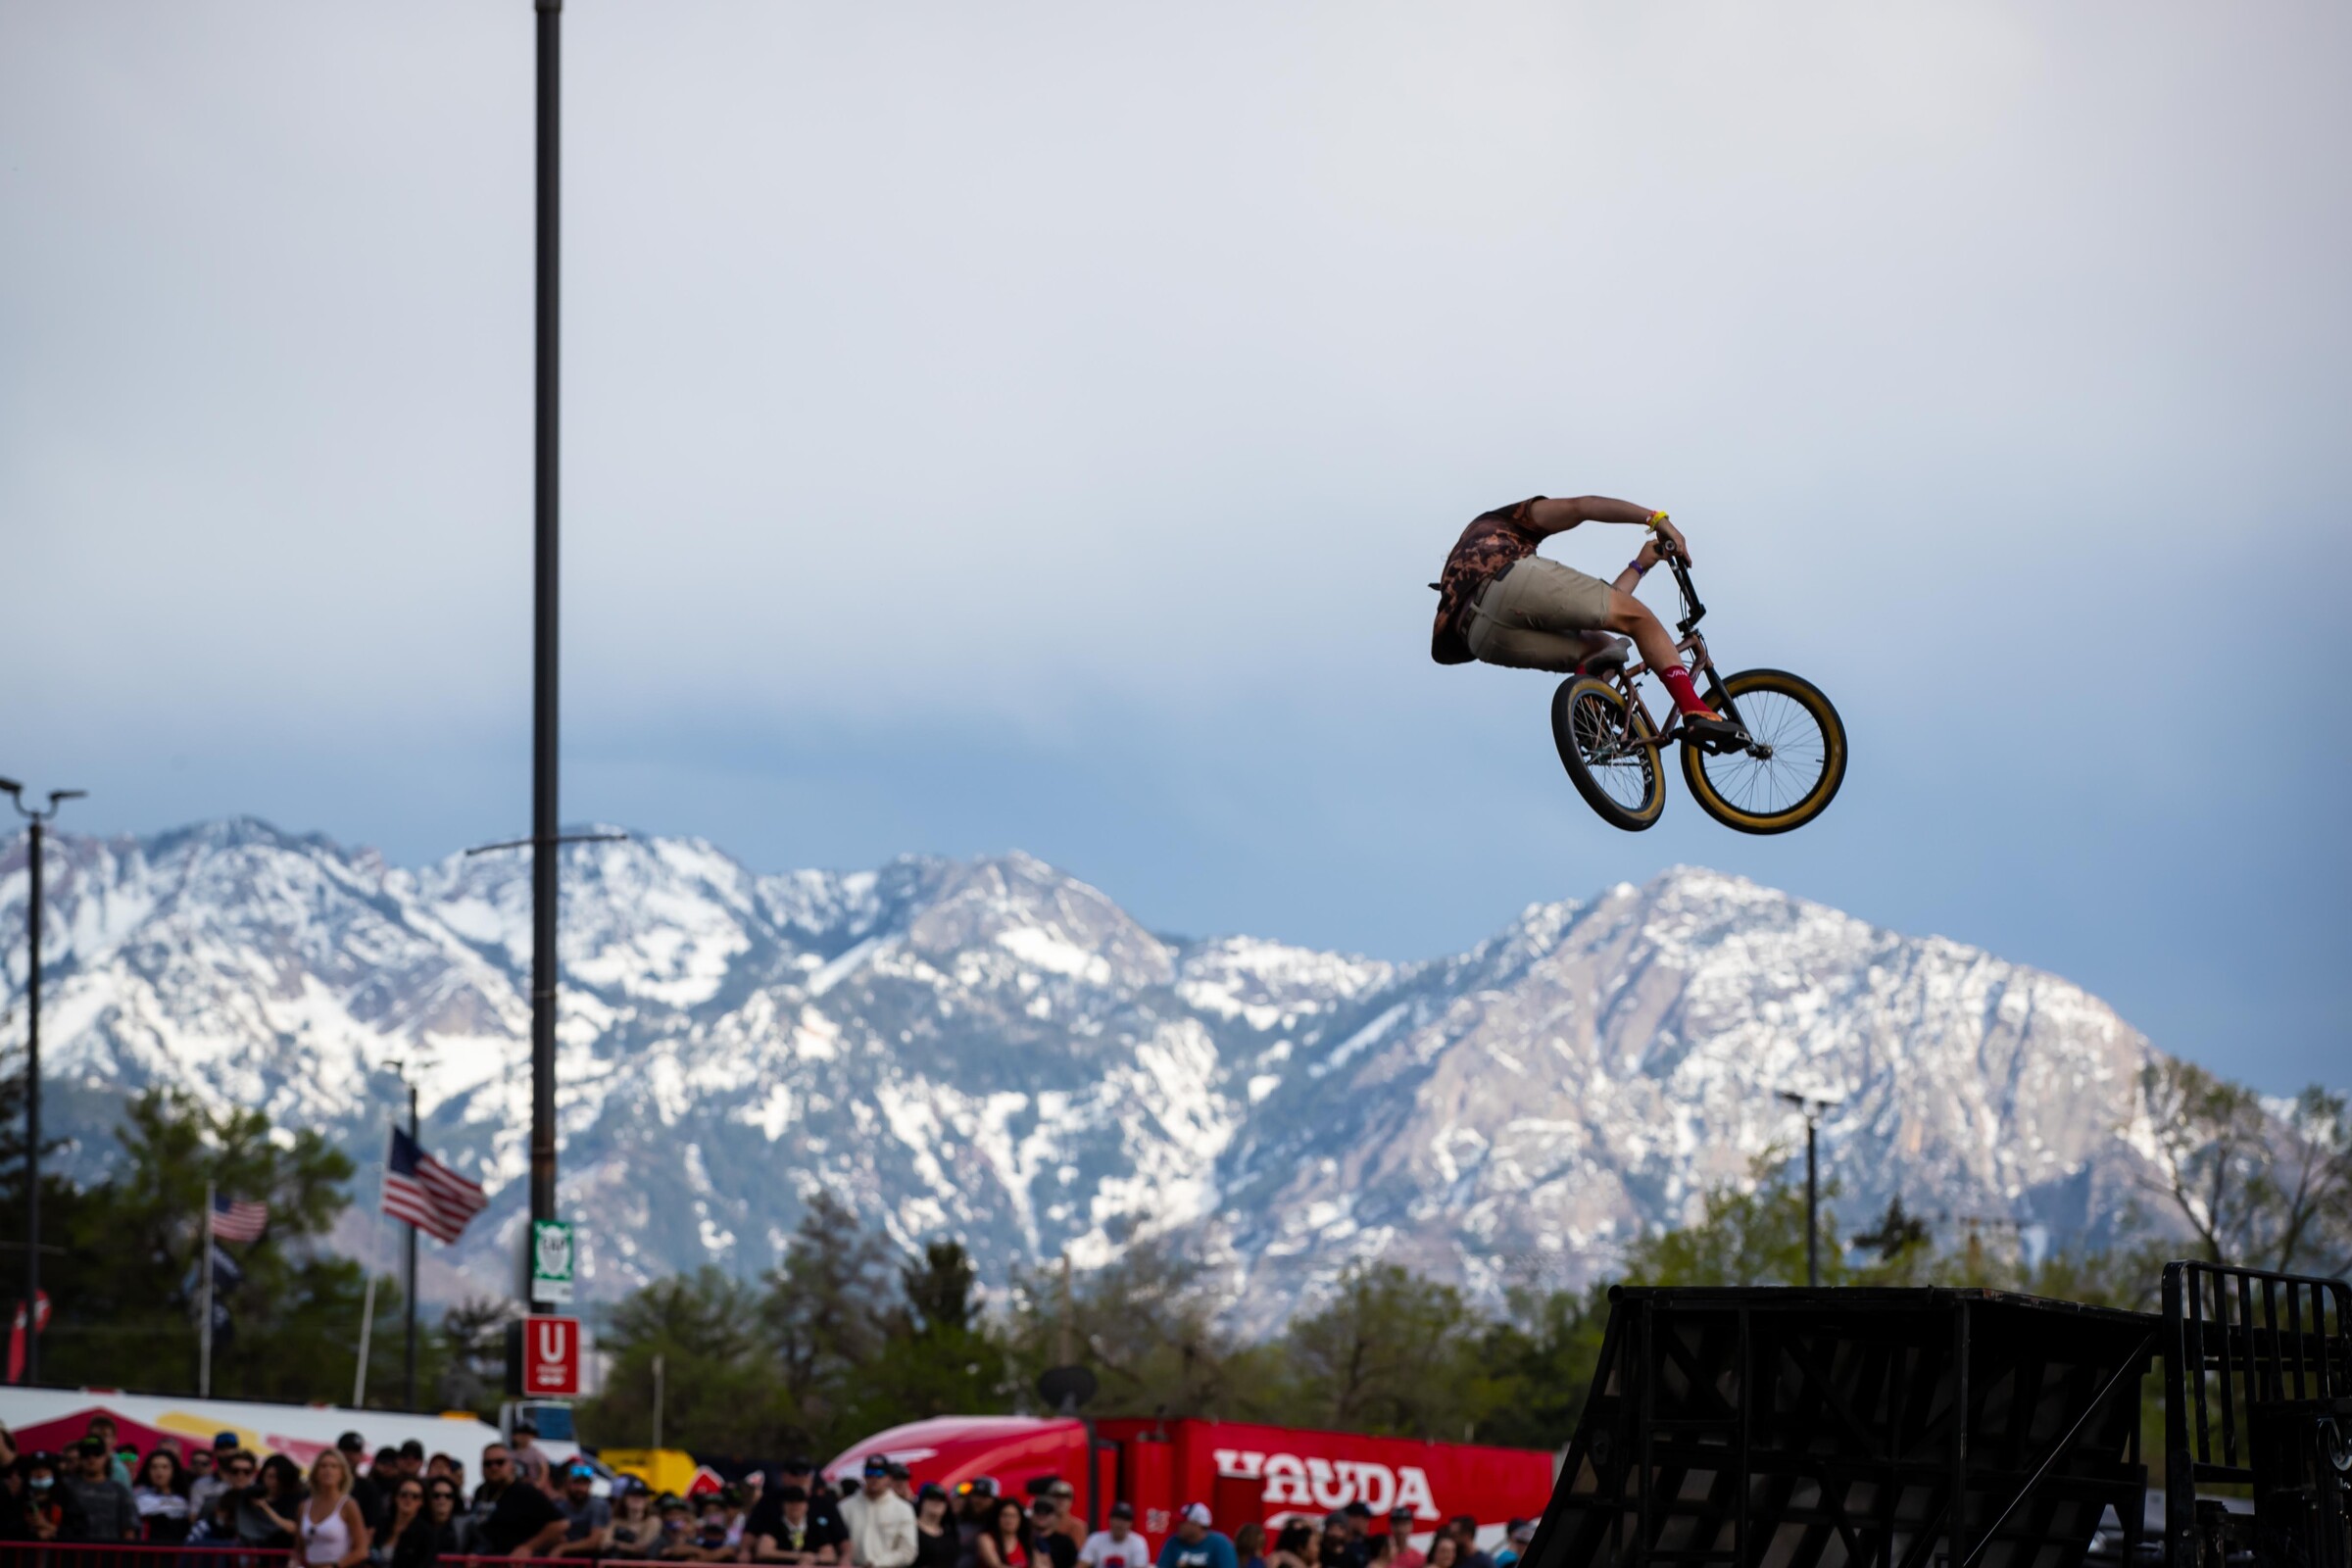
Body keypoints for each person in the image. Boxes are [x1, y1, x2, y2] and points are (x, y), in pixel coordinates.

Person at [1429, 497, 1740, 747]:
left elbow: (1607, 610)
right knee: (1642, 619)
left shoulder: (1457, 577)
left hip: (1479, 636)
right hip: (1508, 581)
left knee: (1601, 648)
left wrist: (1640, 564)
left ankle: (1591, 719)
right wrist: (1657, 519)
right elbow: (1582, 507)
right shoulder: (1504, 521)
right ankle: (1694, 708)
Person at [474, 1441, 565, 1559]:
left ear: (511, 1464)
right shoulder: (481, 1491)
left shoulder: (525, 1492)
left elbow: (561, 1524)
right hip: (486, 1559)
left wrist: (528, 1547)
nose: (494, 1467)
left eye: (500, 1462)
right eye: (488, 1463)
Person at [295, 1448, 373, 1568]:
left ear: (342, 1473)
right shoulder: (304, 1507)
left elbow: (362, 1550)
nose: (328, 1470)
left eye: (334, 1466)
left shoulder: (348, 1505)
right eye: (323, 1466)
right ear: (315, 1472)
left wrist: (335, 1566)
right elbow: (299, 1548)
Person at [842, 1454, 919, 1568]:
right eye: (869, 1472)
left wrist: (877, 1563)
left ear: (888, 1477)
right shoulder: (844, 1507)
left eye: (879, 1474)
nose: (874, 1478)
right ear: (863, 1475)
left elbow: (908, 1551)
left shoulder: (903, 1509)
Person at [64, 1435, 139, 1542]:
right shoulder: (66, 1489)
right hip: (74, 1555)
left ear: (106, 1457)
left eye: (97, 1453)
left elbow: (129, 1530)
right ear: (80, 1458)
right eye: (86, 1454)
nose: (91, 1458)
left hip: (110, 1555)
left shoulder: (119, 1491)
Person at [752, 1482, 841, 1564]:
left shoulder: (814, 1526)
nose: (795, 1506)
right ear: (784, 1505)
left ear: (806, 1506)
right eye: (791, 1502)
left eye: (799, 1502)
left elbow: (831, 1555)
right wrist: (797, 1556)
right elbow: (763, 1551)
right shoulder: (774, 1524)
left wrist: (814, 1558)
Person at [6, 1451, 80, 1542]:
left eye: (45, 1469)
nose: (40, 1474)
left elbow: (79, 1528)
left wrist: (50, 1528)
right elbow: (8, 1528)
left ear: (53, 1474)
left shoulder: (64, 1498)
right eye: (35, 1470)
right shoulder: (20, 1500)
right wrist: (31, 1530)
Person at [550, 1460, 614, 1557]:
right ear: (567, 1483)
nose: (580, 1488)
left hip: (589, 1559)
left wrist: (562, 1548)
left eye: (585, 1484)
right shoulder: (559, 1506)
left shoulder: (599, 1505)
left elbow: (594, 1541)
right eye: (576, 1483)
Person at [373, 1475, 436, 1568]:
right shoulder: (381, 1525)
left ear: (422, 1502)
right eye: (404, 1494)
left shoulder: (427, 1534)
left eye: (415, 1496)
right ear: (395, 1497)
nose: (408, 1499)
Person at [133, 1447, 194, 1543]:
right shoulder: (136, 1496)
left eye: (165, 1467)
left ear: (173, 1471)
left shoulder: (183, 1500)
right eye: (154, 1467)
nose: (159, 1471)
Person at [1154, 1505, 1238, 1568]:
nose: (1179, 1525)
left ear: (1198, 1524)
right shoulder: (1173, 1542)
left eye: (1183, 1522)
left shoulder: (1220, 1543)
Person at [1077, 1499, 1151, 1568]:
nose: (1121, 1524)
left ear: (1131, 1523)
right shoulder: (1095, 1539)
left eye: (1125, 1520)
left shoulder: (1138, 1542)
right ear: (1110, 1520)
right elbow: (1082, 1564)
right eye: (1117, 1519)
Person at [611, 1482, 664, 1557]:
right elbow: (605, 1544)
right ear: (624, 1499)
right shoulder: (614, 1521)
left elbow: (643, 1548)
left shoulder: (653, 1521)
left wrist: (617, 1544)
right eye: (633, 1495)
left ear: (647, 1500)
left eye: (642, 1496)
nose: (637, 1499)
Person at [974, 1496, 1030, 1568]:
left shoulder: (1026, 1540)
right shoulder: (985, 1539)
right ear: (997, 1518)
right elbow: (996, 1565)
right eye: (1004, 1515)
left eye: (1013, 1516)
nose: (1008, 1520)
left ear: (1020, 1519)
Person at [914, 1484, 961, 1568]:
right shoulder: (909, 1529)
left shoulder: (950, 1534)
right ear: (922, 1502)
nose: (936, 1503)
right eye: (931, 1498)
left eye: (941, 1500)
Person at [425, 1477, 474, 1557]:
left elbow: (482, 1545)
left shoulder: (465, 1525)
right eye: (436, 1495)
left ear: (454, 1500)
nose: (442, 1500)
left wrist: (474, 1553)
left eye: (448, 1496)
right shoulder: (418, 1524)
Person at [1027, 1493, 1077, 1568]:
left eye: (1047, 1510)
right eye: (1038, 1510)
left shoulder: (1066, 1542)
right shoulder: (1024, 1540)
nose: (1042, 1514)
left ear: (1055, 1515)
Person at [509, 1418, 555, 1494]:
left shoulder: (537, 1453)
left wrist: (537, 1486)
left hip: (532, 1488)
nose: (524, 1437)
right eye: (521, 1434)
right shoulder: (509, 1454)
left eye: (527, 1435)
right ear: (514, 1436)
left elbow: (544, 1470)